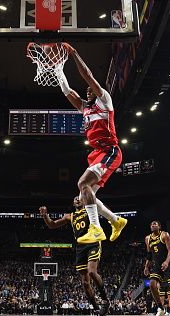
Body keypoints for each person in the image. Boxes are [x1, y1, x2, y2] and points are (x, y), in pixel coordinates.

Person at [56, 43, 127, 244]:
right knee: (85, 195)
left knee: (82, 183)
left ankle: (96, 228)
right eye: (86, 91)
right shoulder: (85, 108)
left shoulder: (105, 100)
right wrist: (58, 69)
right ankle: (116, 221)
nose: (88, 91)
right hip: (97, 152)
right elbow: (67, 91)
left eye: (91, 90)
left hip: (110, 151)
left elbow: (88, 76)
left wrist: (74, 53)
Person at [39, 198, 110, 316]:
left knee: (92, 271)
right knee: (85, 283)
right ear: (73, 203)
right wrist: (45, 216)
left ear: (84, 201)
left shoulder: (90, 210)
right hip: (80, 247)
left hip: (93, 242)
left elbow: (105, 210)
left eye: (80, 198)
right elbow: (52, 225)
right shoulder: (70, 216)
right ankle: (97, 309)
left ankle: (105, 300)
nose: (77, 199)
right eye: (75, 199)